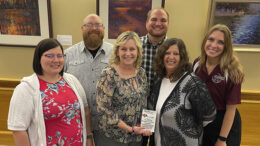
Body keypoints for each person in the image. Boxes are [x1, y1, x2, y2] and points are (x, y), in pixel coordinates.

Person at [7, 38, 93, 146]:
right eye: (50, 56)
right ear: (38, 58)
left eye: (59, 56)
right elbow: (18, 129)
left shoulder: (71, 80)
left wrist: (89, 137)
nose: (56, 60)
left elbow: (84, 111)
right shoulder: (25, 89)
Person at [148, 38, 216, 146]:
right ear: (161, 57)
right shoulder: (159, 81)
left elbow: (208, 117)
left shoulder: (193, 84)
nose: (171, 57)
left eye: (176, 53)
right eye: (167, 53)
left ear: (182, 57)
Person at [95, 31, 152, 146]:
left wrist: (146, 126)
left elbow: (144, 101)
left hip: (136, 137)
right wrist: (130, 129)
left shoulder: (141, 73)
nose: (128, 53)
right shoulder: (109, 74)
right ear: (117, 51)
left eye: (132, 49)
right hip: (113, 138)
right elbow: (105, 110)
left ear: (138, 51)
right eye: (123, 49)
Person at [64, 13, 113, 140]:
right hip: (77, 121)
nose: (94, 28)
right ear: (82, 28)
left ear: (103, 28)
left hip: (107, 123)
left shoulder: (115, 54)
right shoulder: (68, 55)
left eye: (98, 25)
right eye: (89, 25)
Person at [193, 24, 244, 146]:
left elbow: (231, 110)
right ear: (205, 41)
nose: (214, 45)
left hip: (224, 124)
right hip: (203, 121)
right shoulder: (197, 64)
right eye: (211, 39)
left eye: (220, 42)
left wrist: (222, 139)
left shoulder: (232, 71)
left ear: (227, 47)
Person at [140, 7, 169, 89]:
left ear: (168, 24)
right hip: (138, 101)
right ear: (146, 23)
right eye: (154, 19)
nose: (158, 24)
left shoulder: (175, 49)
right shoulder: (134, 46)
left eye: (163, 20)